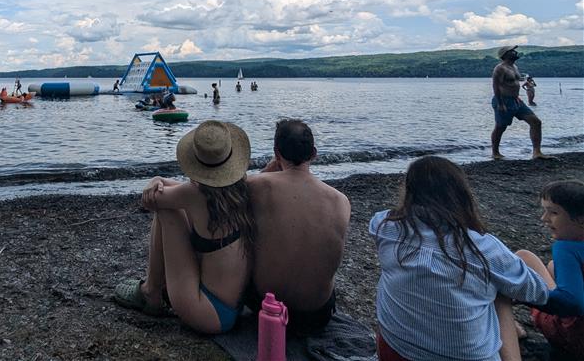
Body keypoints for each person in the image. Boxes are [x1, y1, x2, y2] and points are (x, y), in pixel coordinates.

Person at [370, 156, 550, 361]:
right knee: (499, 290)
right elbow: (538, 293)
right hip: (468, 356)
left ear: (410, 191)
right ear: (461, 194)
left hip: (397, 350)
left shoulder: (384, 226)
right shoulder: (483, 247)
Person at [114, 121, 255, 334]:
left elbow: (152, 201)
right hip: (238, 306)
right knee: (174, 205)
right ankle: (153, 290)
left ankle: (151, 292)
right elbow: (181, 190)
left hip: (207, 313)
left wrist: (155, 180)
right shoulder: (242, 188)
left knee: (168, 210)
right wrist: (160, 179)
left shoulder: (194, 194)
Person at [246, 119, 350, 335]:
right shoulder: (340, 201)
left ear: (276, 152)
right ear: (313, 153)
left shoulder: (259, 185)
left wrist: (268, 170)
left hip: (266, 307)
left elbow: (227, 195)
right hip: (316, 315)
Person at [515, 180, 584, 359]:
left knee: (524, 257)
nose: (544, 218)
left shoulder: (567, 248)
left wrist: (525, 295)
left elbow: (571, 303)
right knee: (553, 266)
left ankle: (512, 330)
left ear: (581, 219)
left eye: (553, 212)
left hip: (574, 338)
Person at [491, 45, 548, 160]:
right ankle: (495, 153)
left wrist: (517, 97)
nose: (515, 52)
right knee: (500, 127)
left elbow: (514, 84)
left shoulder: (514, 67)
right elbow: (496, 86)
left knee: (536, 122)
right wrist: (501, 103)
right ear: (505, 54)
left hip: (516, 101)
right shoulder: (500, 68)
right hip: (503, 100)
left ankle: (537, 152)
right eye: (512, 51)